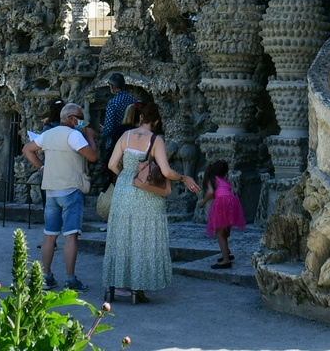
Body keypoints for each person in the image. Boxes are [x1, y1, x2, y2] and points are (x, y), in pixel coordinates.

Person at [102, 104, 198, 303]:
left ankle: (117, 286)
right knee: (142, 239)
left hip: (122, 192)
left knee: (121, 237)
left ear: (139, 118)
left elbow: (111, 165)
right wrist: (184, 178)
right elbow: (166, 172)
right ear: (155, 122)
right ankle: (138, 289)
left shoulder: (125, 136)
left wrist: (127, 177)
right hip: (144, 195)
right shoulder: (156, 140)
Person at [21, 101, 98, 293]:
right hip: (70, 189)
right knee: (71, 236)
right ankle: (70, 279)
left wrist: (42, 167)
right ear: (71, 119)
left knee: (49, 235)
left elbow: (27, 149)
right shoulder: (74, 135)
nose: (81, 121)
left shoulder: (48, 134)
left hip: (51, 190)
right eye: (80, 118)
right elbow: (93, 157)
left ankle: (46, 277)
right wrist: (90, 138)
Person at [199, 159, 245, 268]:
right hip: (232, 201)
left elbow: (210, 192)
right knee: (225, 231)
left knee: (219, 233)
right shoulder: (223, 180)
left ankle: (225, 260)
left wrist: (203, 202)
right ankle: (227, 252)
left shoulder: (211, 179)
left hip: (221, 202)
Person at [101, 73, 135, 158]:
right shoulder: (133, 100)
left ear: (112, 86)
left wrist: (103, 130)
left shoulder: (113, 103)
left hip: (115, 143)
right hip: (131, 141)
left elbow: (108, 129)